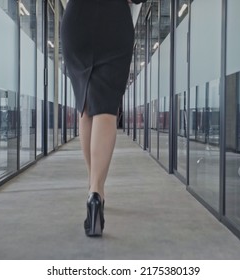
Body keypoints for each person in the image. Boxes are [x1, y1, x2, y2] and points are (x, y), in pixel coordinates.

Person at [61, 0, 147, 237]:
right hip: (114, 22)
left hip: (77, 19)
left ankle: (93, 188)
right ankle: (97, 191)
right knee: (106, 108)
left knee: (85, 105)